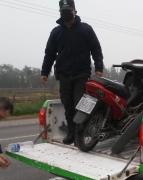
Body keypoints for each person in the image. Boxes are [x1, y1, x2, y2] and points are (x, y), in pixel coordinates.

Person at [40, 0, 104, 145]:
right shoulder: (56, 32)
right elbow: (49, 53)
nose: (66, 14)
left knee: (79, 106)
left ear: (75, 12)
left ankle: (79, 134)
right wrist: (44, 72)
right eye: (63, 12)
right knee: (67, 105)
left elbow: (96, 49)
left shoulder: (85, 29)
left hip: (81, 74)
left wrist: (99, 68)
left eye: (69, 11)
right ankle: (71, 132)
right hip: (64, 75)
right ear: (60, 13)